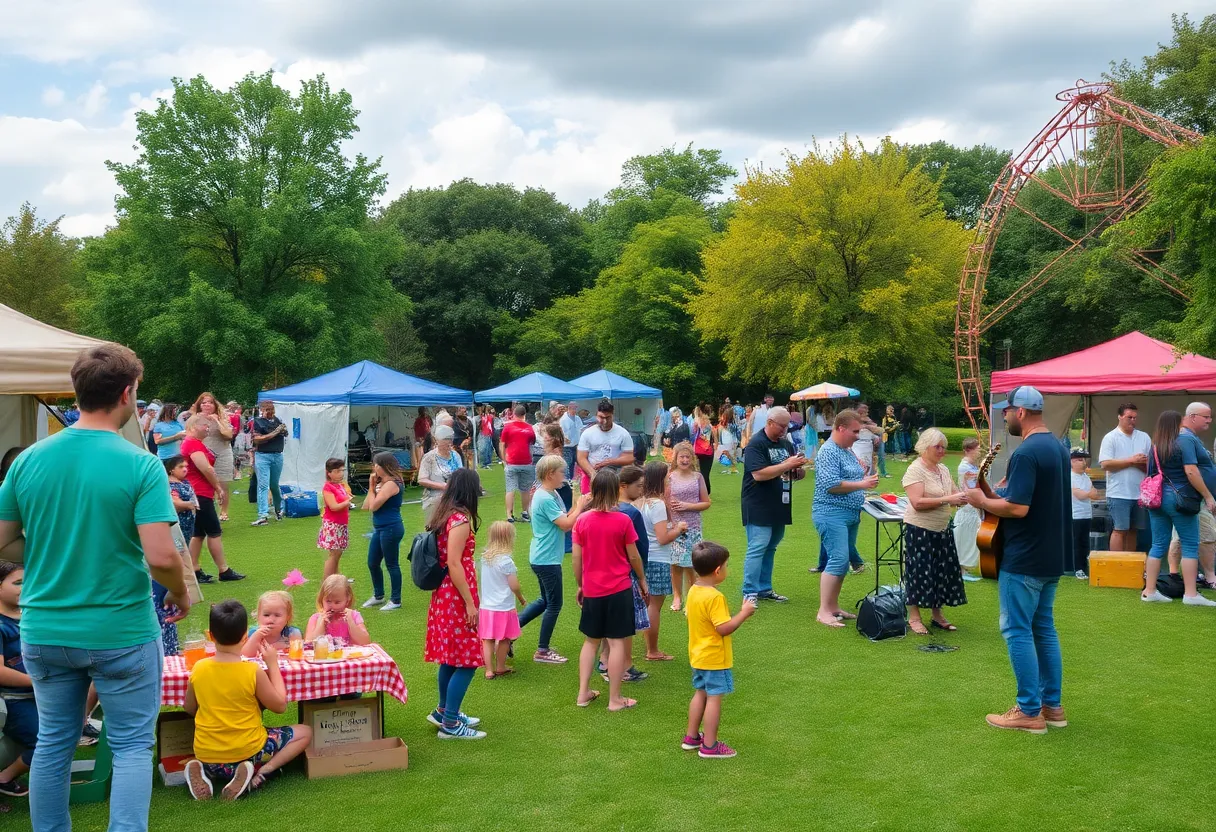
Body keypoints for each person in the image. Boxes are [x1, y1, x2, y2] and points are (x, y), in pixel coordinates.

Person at [0, 344, 191, 831]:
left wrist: (49, 552)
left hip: (46, 630)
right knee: (131, 746)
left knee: (54, 742)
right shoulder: (140, 464)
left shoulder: (28, 460)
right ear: (127, 394)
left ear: (77, 390)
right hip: (120, 630)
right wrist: (180, 592)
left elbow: (3, 540)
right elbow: (161, 556)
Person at [963, 386, 1070, 733]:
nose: (1005, 416)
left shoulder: (1025, 453)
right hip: (1051, 554)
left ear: (1020, 412)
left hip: (1024, 557)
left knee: (1017, 630)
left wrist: (980, 500)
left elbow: (1018, 508)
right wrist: (996, 494)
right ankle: (1052, 707)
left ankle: (1028, 711)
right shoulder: (1058, 447)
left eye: (1007, 411)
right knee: (1044, 629)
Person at [184, 600, 312, 800]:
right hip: (247, 752)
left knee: (217, 756)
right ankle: (263, 771)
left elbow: (190, 708)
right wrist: (273, 665)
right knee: (306, 732)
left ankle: (205, 771)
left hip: (206, 753)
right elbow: (280, 706)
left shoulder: (199, 668)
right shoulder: (252, 671)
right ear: (245, 636)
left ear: (211, 635)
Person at [573, 469, 646, 712]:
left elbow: (577, 559)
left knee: (591, 641)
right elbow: (633, 556)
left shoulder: (582, 520)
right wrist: (642, 580)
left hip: (593, 589)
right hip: (618, 589)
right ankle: (614, 699)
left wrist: (581, 584)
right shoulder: (623, 520)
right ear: (616, 490)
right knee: (616, 642)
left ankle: (583, 693)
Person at [424, 468, 486, 739]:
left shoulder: (444, 514)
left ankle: (444, 711)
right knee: (467, 659)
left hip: (445, 594)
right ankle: (450, 724)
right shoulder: (459, 520)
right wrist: (470, 603)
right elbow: (454, 563)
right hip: (457, 595)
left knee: (451, 656)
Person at [681, 541, 757, 759]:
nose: (726, 569)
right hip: (714, 658)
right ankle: (710, 745)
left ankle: (691, 737)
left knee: (700, 693)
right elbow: (723, 628)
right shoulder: (715, 597)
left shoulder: (694, 590)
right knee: (714, 698)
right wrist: (744, 613)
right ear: (717, 570)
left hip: (698, 655)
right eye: (726, 566)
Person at [1140, 409, 1216, 606]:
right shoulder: (1182, 443)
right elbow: (1190, 471)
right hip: (1179, 498)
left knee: (1158, 544)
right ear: (1176, 424)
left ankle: (1150, 591)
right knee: (1190, 544)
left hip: (1157, 499)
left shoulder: (1155, 446)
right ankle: (1190, 594)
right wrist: (1208, 495)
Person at [519, 455, 589, 665]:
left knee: (545, 601)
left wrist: (578, 504)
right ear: (550, 474)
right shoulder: (545, 497)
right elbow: (566, 525)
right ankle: (542, 650)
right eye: (561, 472)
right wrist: (580, 507)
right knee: (554, 604)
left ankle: (507, 632)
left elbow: (566, 517)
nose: (564, 476)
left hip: (544, 557)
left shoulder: (551, 493)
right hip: (546, 559)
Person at [813, 410, 878, 627]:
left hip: (850, 514)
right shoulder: (828, 451)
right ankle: (823, 611)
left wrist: (863, 473)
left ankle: (833, 606)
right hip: (831, 513)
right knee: (838, 559)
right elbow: (830, 485)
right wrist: (862, 484)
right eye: (855, 431)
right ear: (841, 428)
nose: (858, 436)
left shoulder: (846, 450)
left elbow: (851, 474)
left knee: (842, 561)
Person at [901, 428, 969, 634]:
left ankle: (937, 615)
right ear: (925, 446)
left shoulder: (943, 470)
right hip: (920, 530)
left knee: (941, 572)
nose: (942, 451)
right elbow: (917, 503)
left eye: (944, 447)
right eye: (937, 447)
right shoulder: (915, 470)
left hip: (942, 529)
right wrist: (948, 499)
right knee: (918, 572)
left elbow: (955, 494)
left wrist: (966, 496)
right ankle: (914, 617)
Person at [740, 406, 805, 604]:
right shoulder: (756, 444)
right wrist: (787, 465)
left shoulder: (786, 444)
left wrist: (798, 471)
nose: (785, 430)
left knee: (771, 547)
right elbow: (759, 474)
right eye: (781, 426)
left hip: (780, 502)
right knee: (758, 547)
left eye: (787, 426)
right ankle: (749, 592)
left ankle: (764, 589)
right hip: (758, 503)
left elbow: (790, 472)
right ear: (769, 423)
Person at [181, 415, 245, 584]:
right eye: (205, 426)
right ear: (194, 426)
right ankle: (223, 570)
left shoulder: (192, 443)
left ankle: (194, 569)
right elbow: (206, 468)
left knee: (198, 533)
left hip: (197, 492)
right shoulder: (193, 444)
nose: (208, 429)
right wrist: (218, 487)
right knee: (214, 532)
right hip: (200, 492)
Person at [638, 462, 686, 661]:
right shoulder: (657, 505)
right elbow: (662, 538)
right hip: (657, 559)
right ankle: (652, 650)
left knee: (648, 604)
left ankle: (648, 647)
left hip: (646, 558)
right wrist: (679, 529)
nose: (670, 480)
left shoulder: (644, 501)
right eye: (667, 477)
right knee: (653, 606)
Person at [1098, 402, 1151, 551]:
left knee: (1134, 530)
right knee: (1119, 530)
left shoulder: (1144, 437)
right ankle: (1117, 562)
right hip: (1118, 493)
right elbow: (1105, 464)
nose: (1133, 421)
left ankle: (1130, 561)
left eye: (1135, 418)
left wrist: (1137, 463)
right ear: (1120, 417)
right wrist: (1132, 461)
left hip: (1140, 493)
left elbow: (1150, 466)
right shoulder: (1110, 437)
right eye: (1129, 417)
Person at [0, 562, 33, 797]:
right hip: (14, 701)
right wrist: (37, 681)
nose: (25, 588)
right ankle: (4, 778)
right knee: (46, 743)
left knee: (64, 736)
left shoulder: (29, 615)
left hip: (39, 696)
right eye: (18, 583)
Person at [478, 521, 526, 679]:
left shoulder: (485, 558)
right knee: (505, 638)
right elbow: (514, 585)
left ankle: (489, 670)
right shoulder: (506, 561)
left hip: (486, 606)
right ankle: (500, 666)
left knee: (487, 639)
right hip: (504, 606)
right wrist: (521, 598)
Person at [668, 442, 711, 612]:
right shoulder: (669, 477)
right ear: (675, 458)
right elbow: (664, 500)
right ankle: (677, 596)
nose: (685, 460)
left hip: (693, 526)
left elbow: (706, 503)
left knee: (691, 565)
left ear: (692, 459)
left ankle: (691, 599)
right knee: (675, 563)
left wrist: (688, 506)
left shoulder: (697, 477)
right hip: (675, 526)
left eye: (688, 457)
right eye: (682, 457)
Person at [362, 451, 405, 612]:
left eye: (376, 465)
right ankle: (378, 595)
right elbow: (366, 506)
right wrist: (373, 488)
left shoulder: (392, 484)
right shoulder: (383, 483)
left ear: (383, 466)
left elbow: (374, 506)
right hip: (380, 528)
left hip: (391, 527)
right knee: (372, 562)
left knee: (391, 564)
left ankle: (395, 599)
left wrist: (372, 487)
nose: (374, 468)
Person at [575, 400, 636, 495]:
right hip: (591, 472)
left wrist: (610, 462)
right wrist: (593, 474)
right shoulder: (587, 433)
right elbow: (581, 457)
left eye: (608, 417)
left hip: (615, 474)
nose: (605, 421)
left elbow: (629, 457)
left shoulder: (623, 433)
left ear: (612, 415)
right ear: (596, 415)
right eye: (601, 417)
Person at [192, 393, 235, 521]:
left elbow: (228, 435)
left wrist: (216, 420)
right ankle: (205, 511)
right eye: (204, 402)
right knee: (203, 483)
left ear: (215, 405)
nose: (207, 405)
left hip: (222, 452)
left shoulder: (223, 418)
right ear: (199, 405)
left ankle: (223, 511)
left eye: (210, 402)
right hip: (203, 453)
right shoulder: (195, 419)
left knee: (223, 484)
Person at [305, 575, 371, 646]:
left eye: (337, 602)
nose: (332, 606)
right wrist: (321, 623)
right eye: (328, 601)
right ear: (322, 598)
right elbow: (309, 644)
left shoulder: (354, 616)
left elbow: (365, 642)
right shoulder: (315, 618)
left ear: (347, 599)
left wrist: (350, 621)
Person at [250, 400, 287, 526]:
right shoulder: (257, 422)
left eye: (272, 409)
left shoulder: (278, 420)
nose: (270, 411)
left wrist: (283, 430)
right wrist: (275, 432)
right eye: (267, 409)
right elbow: (257, 439)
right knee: (263, 485)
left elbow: (285, 433)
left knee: (274, 485)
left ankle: (279, 510)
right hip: (263, 456)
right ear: (261, 410)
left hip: (277, 455)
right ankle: (263, 515)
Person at [419, 425, 464, 525]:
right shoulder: (429, 458)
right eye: (445, 440)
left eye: (450, 440)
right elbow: (422, 479)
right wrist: (443, 486)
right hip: (434, 501)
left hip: (455, 500)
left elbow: (461, 474)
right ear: (437, 441)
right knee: (436, 528)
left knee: (455, 527)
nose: (449, 443)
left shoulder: (455, 456)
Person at [318, 457, 355, 580]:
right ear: (329, 473)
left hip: (341, 524)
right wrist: (347, 502)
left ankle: (336, 579)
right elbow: (333, 507)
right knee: (334, 554)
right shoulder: (328, 487)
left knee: (337, 554)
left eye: (342, 470)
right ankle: (327, 581)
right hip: (333, 524)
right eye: (337, 471)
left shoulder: (340, 485)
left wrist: (347, 499)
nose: (341, 474)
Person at [500, 405, 538, 523]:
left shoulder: (508, 427)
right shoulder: (529, 428)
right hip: (526, 462)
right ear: (524, 415)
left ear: (513, 414)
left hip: (512, 462)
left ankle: (509, 514)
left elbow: (502, 444)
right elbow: (532, 442)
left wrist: (504, 460)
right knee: (525, 489)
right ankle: (525, 512)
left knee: (510, 489)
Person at [953, 437, 984, 580]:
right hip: (968, 506)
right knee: (965, 538)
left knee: (971, 537)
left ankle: (964, 568)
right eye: (977, 449)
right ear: (968, 450)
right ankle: (961, 568)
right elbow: (973, 483)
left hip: (973, 506)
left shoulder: (972, 466)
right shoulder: (965, 467)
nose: (979, 452)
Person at [241, 590, 302, 656]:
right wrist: (256, 637)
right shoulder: (253, 633)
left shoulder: (292, 633)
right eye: (266, 615)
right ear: (258, 616)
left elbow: (297, 655)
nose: (271, 620)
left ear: (287, 618)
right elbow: (245, 655)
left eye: (277, 615)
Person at [1070, 449, 1100, 580]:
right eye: (1079, 460)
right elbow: (1078, 494)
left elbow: (1094, 492)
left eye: (1084, 460)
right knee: (1076, 543)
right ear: (1071, 462)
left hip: (1086, 514)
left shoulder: (1086, 477)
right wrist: (1089, 494)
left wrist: (1090, 493)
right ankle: (1077, 568)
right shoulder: (1070, 477)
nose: (1083, 463)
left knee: (1085, 542)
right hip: (1075, 515)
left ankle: (1084, 566)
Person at [692, 405, 717, 493]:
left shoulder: (708, 426)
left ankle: (706, 492)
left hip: (707, 452)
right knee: (701, 473)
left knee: (704, 474)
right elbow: (693, 436)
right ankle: (705, 492)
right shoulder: (697, 425)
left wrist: (715, 445)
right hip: (699, 451)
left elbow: (713, 438)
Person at [560, 401, 583, 480]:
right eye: (573, 409)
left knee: (575, 464)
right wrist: (564, 438)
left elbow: (581, 429)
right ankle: (567, 481)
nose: (574, 410)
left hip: (576, 445)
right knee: (567, 465)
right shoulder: (563, 419)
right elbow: (560, 431)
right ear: (569, 409)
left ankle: (573, 480)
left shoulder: (577, 418)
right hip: (566, 447)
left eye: (575, 408)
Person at [717, 406, 739, 474]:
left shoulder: (726, 424)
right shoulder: (732, 424)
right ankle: (732, 468)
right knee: (730, 454)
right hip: (729, 439)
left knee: (728, 454)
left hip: (727, 439)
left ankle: (732, 468)